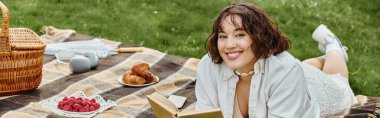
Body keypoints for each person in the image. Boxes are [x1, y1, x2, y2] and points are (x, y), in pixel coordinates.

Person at [195, 2, 355, 118]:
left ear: (258, 37)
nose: (229, 45)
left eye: (240, 35)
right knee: (300, 68)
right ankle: (320, 60)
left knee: (339, 83)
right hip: (294, 74)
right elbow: (204, 113)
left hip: (310, 89)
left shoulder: (286, 72)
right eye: (223, 36)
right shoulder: (208, 66)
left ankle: (333, 46)